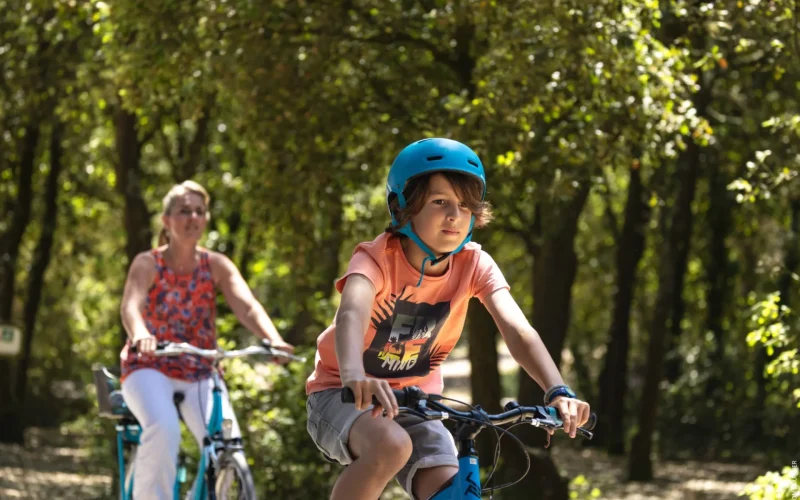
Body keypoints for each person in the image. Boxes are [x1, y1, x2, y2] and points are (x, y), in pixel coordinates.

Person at [305, 138, 592, 500]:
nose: (455, 215)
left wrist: (557, 389)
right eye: (439, 202)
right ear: (403, 207)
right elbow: (351, 313)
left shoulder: (474, 263)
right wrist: (353, 375)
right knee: (390, 447)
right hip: (343, 392)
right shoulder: (375, 259)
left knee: (451, 488)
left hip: (418, 403)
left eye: (465, 204)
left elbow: (517, 330)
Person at [119, 180, 294, 499]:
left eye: (200, 211)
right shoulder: (148, 263)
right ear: (166, 220)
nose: (193, 217)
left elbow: (247, 305)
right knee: (164, 429)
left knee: (230, 449)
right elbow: (131, 306)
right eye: (184, 211)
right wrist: (141, 334)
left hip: (199, 370)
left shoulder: (215, 265)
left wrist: (273, 339)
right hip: (150, 365)